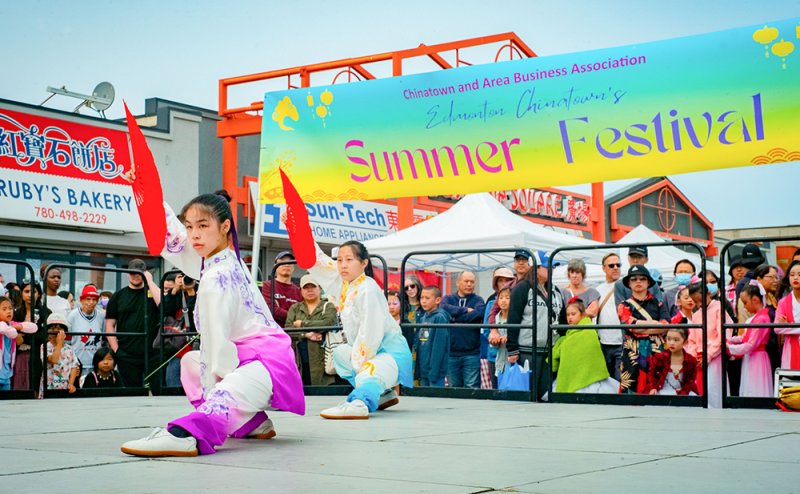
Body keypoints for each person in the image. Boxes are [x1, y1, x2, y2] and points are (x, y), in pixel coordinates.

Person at [121, 192, 304, 457]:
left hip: (265, 367)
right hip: (258, 359)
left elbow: (217, 349)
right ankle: (252, 423)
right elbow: (172, 233)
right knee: (190, 363)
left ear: (225, 226)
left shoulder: (215, 277)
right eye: (190, 226)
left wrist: (215, 391)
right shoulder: (223, 259)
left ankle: (190, 434)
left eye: (203, 226)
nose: (193, 234)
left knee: (216, 380)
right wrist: (143, 190)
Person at [306, 240, 412, 419]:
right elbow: (318, 262)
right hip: (367, 350)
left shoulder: (368, 289)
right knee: (340, 353)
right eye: (339, 260)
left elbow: (370, 333)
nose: (343, 265)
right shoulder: (345, 283)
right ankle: (383, 394)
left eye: (349, 259)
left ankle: (360, 402)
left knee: (368, 370)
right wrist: (296, 228)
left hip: (388, 353)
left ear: (364, 263)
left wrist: (359, 365)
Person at [507, 250, 565, 399]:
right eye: (548, 267)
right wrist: (512, 349)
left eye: (554, 267)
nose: (552, 270)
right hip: (528, 350)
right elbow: (513, 318)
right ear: (536, 267)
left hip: (550, 352)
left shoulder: (556, 291)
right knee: (529, 395)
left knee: (546, 395)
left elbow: (563, 319)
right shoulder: (522, 288)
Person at [105, 259, 161, 388]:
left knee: (159, 391)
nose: (136, 276)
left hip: (153, 352)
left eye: (139, 273)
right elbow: (109, 325)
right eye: (132, 273)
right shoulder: (118, 296)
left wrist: (150, 282)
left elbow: (163, 305)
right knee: (131, 393)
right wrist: (117, 350)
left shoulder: (153, 291)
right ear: (127, 274)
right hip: (127, 353)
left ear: (145, 274)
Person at [617, 265, 669, 394]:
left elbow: (666, 325)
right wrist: (654, 324)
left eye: (642, 279)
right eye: (634, 279)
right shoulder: (624, 305)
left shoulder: (659, 303)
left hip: (656, 350)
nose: (638, 282)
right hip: (632, 352)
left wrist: (640, 328)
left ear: (648, 282)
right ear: (629, 283)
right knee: (631, 388)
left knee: (656, 386)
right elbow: (629, 325)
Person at [552, 298, 618, 394]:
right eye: (568, 315)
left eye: (573, 314)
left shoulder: (589, 331)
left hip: (591, 381)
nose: (570, 317)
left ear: (582, 314)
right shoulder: (568, 334)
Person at [285, 274, 338, 386]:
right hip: (299, 360)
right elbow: (288, 330)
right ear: (301, 291)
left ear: (320, 288)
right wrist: (305, 335)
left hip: (324, 360)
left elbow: (327, 323)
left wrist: (302, 324)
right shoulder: (295, 308)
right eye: (306, 287)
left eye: (313, 287)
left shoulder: (329, 306)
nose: (310, 290)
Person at [687, 281, 732, 408]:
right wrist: (693, 356)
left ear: (708, 294)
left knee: (714, 389)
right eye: (695, 301)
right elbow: (692, 339)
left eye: (700, 300)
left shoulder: (719, 308)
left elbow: (722, 335)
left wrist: (709, 355)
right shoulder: (696, 315)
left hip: (715, 355)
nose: (698, 304)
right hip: (699, 357)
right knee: (701, 389)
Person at [440, 270, 485, 388]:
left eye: (472, 282)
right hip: (451, 353)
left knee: (472, 388)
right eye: (466, 281)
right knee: (454, 388)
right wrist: (465, 310)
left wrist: (454, 317)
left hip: (472, 353)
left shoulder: (478, 300)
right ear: (458, 282)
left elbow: (479, 313)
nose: (469, 284)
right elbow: (443, 308)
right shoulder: (448, 299)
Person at [729, 285, 773, 397]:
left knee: (755, 387)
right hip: (753, 356)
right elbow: (744, 337)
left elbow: (751, 344)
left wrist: (729, 347)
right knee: (751, 386)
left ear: (755, 300)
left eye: (745, 302)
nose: (744, 307)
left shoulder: (761, 319)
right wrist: (730, 340)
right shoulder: (757, 317)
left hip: (757, 358)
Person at [161, 272, 198, 388]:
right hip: (176, 348)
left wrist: (191, 292)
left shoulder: (200, 294)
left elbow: (195, 317)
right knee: (172, 381)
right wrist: (174, 290)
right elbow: (164, 312)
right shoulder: (175, 295)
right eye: (180, 277)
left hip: (195, 346)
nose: (184, 280)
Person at [594, 253, 623, 380]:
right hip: (603, 343)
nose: (615, 267)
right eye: (611, 265)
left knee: (620, 381)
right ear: (604, 268)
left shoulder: (626, 286)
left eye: (618, 265)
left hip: (622, 342)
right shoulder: (598, 289)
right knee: (606, 380)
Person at [645, 328, 698, 396]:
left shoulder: (691, 360)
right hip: (661, 390)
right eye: (669, 339)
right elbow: (652, 374)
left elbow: (690, 381)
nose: (671, 343)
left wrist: (682, 394)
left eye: (676, 340)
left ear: (685, 341)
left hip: (682, 392)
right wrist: (653, 388)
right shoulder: (659, 357)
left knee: (693, 397)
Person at [67, 285, 105, 379]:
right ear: (81, 300)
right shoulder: (73, 315)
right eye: (88, 299)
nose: (91, 302)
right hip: (77, 363)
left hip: (96, 364)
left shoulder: (101, 316)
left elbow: (103, 339)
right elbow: (67, 341)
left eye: (94, 299)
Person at [415, 286, 450, 387]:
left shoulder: (440, 317)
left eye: (427, 298)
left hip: (435, 372)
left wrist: (434, 371)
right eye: (422, 298)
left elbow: (439, 347)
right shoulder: (423, 318)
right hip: (424, 370)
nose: (423, 301)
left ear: (437, 300)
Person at [0, 296, 37, 390]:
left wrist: (19, 326)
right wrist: (16, 331)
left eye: (10, 308)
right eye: (4, 309)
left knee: (6, 402)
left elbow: (34, 327)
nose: (8, 311)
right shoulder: (4, 325)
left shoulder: (11, 325)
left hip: (7, 372)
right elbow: (8, 331)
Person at [261, 251, 301, 329]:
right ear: (275, 266)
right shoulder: (267, 286)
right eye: (282, 262)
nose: (286, 265)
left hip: (295, 334)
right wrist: (294, 317)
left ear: (293, 267)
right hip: (273, 333)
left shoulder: (298, 291)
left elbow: (302, 316)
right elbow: (272, 311)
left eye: (290, 262)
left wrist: (279, 310)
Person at [45, 313, 80, 393]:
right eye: (52, 328)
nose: (56, 331)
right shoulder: (45, 347)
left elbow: (74, 366)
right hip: (49, 387)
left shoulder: (69, 348)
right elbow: (54, 360)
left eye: (59, 328)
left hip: (65, 387)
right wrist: (59, 343)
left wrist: (71, 384)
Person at [775, 261, 800, 370]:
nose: (795, 278)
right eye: (792, 274)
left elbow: (783, 328)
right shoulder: (783, 302)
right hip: (790, 348)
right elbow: (777, 328)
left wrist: (788, 326)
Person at [488, 287, 511, 383]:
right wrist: (493, 341)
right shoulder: (495, 319)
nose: (503, 301)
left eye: (507, 298)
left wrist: (510, 338)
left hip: (513, 362)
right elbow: (492, 342)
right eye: (501, 298)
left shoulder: (516, 318)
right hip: (499, 362)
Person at [400, 274, 423, 350]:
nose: (409, 289)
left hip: (421, 343)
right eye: (406, 288)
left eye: (412, 286)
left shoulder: (424, 305)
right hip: (406, 343)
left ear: (417, 286)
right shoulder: (401, 307)